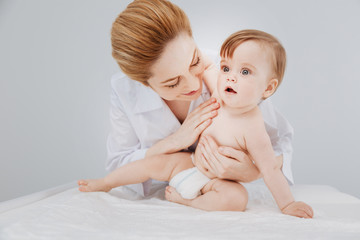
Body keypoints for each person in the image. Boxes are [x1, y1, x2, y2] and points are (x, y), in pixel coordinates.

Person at [79, 29, 313, 218]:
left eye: (244, 71)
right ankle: (106, 183)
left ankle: (186, 201)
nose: (230, 76)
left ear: (268, 88)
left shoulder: (254, 127)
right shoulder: (219, 93)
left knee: (236, 199)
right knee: (153, 163)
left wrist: (286, 203)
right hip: (188, 164)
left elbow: (270, 168)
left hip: (216, 182)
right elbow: (211, 67)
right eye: (226, 68)